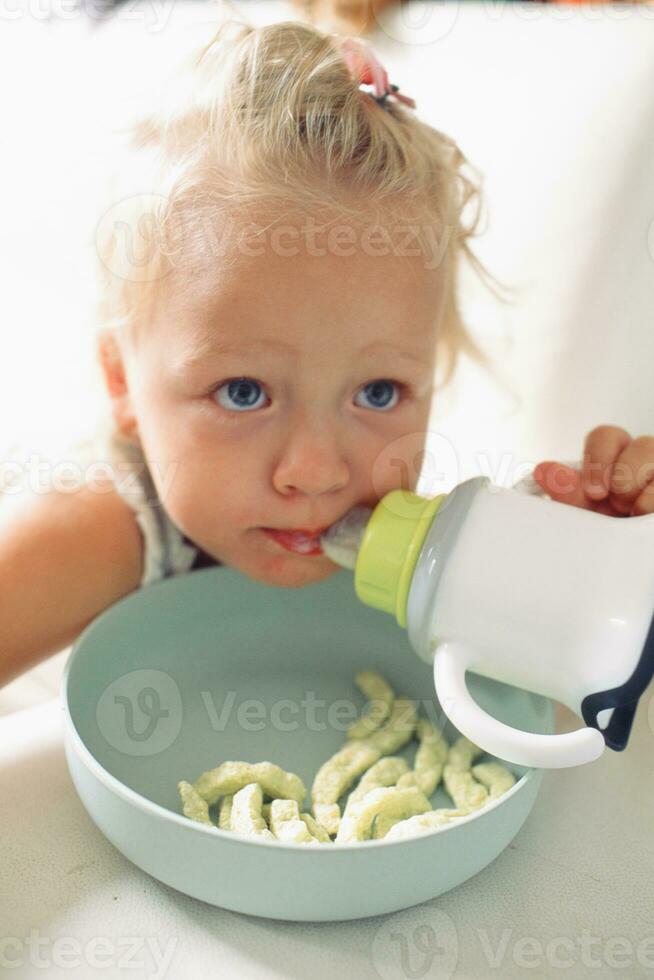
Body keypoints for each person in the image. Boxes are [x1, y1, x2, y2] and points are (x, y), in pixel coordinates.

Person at [0, 20, 652, 691]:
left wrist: (593, 561)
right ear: (121, 383)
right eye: (243, 392)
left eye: (377, 394)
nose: (314, 473)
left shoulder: (380, 527)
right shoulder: (102, 531)